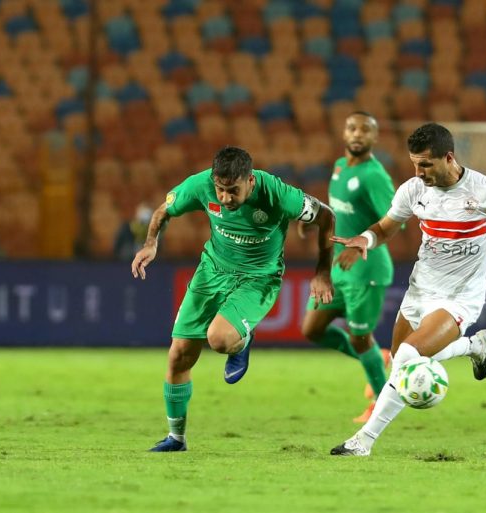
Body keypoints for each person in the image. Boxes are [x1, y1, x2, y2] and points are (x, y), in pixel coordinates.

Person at [329, 123, 486, 456]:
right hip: (419, 291)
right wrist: (365, 240)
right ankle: (473, 345)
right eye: (415, 164)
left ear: (449, 158)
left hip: (459, 298)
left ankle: (363, 442)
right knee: (399, 363)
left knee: (409, 356)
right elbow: (386, 227)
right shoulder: (413, 190)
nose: (419, 172)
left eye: (426, 164)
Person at [131, 146, 335, 452]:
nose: (225, 198)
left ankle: (242, 340)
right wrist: (151, 243)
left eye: (233, 191)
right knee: (179, 355)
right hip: (211, 272)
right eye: (221, 190)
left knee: (219, 339)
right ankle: (176, 438)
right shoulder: (201, 184)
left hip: (257, 279)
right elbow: (163, 211)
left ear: (250, 181)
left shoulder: (278, 194)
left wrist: (322, 272)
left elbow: (327, 217)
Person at [298, 111, 394, 423]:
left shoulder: (374, 176)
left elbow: (396, 221)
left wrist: (360, 244)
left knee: (359, 337)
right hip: (338, 268)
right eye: (352, 128)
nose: (358, 134)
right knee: (312, 330)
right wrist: (317, 220)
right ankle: (377, 358)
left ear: (375, 137)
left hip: (366, 268)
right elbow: (340, 210)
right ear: (344, 133)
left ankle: (380, 404)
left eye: (365, 130)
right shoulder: (340, 167)